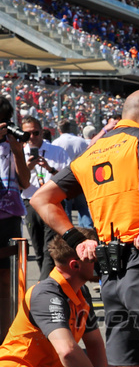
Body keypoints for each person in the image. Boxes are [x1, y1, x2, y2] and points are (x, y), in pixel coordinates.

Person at [31, 88, 139, 367]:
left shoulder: (91, 151)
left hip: (110, 269)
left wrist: (76, 241)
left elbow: (41, 199)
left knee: (127, 363)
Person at [0, 228, 106, 367]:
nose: (99, 262)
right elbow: (68, 352)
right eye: (94, 257)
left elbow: (96, 345)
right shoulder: (46, 294)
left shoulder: (81, 294)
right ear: (75, 265)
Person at [22, 115, 71, 277]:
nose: (32, 137)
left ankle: (43, 285)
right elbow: (18, 182)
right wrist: (27, 168)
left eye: (35, 133)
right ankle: (48, 282)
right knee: (38, 247)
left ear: (42, 132)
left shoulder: (57, 151)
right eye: (27, 134)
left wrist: (50, 169)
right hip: (30, 203)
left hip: (52, 202)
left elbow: (68, 178)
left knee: (50, 247)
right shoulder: (19, 153)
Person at [0, 97, 32, 248]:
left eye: (6, 119)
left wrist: (18, 153)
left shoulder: (10, 144)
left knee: (8, 269)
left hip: (9, 217)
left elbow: (25, 183)